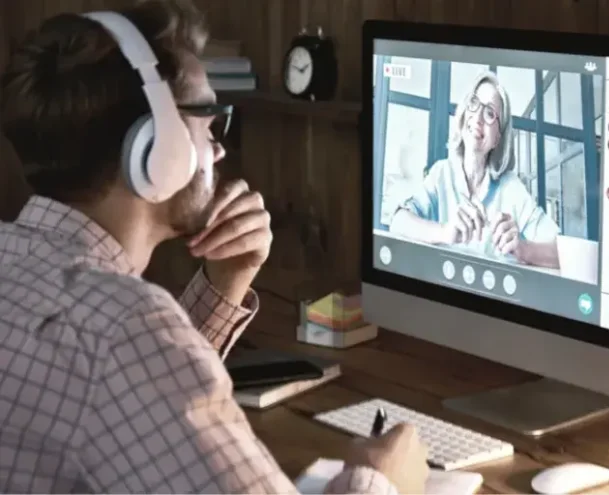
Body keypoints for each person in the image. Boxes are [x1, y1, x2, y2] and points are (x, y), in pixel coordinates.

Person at [0, 1, 429, 493]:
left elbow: (140, 407)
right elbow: (126, 360)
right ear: (157, 149)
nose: (219, 149)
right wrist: (383, 479)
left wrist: (225, 284)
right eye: (208, 121)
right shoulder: (121, 330)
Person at [389, 71, 560, 268]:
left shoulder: (511, 188)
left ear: (497, 138)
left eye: (489, 113)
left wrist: (523, 249)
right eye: (473, 103)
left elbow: (561, 251)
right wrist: (444, 232)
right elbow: (398, 222)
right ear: (464, 115)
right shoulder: (441, 173)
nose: (478, 117)